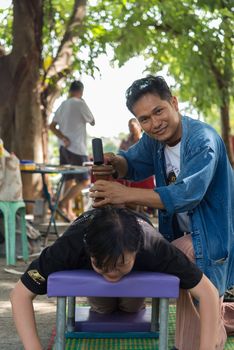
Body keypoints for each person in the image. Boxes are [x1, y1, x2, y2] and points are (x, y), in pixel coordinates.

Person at [90, 76, 234, 347]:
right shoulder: (153, 141)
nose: (154, 123)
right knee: (178, 267)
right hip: (183, 235)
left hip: (214, 236)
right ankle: (215, 320)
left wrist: (125, 194)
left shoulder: (204, 141)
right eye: (144, 119)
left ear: (174, 103)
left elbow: (186, 195)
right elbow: (131, 164)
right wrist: (114, 164)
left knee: (174, 258)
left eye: (158, 111)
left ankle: (206, 335)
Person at [10, 207, 223, 350]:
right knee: (104, 309)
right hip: (89, 227)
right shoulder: (68, 247)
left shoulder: (155, 247)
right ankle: (107, 279)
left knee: (130, 308)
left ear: (137, 251)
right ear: (88, 252)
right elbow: (20, 294)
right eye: (101, 265)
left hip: (135, 237)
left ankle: (125, 289)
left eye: (121, 265)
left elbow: (208, 293)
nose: (111, 273)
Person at [49, 80, 95, 220]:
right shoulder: (80, 103)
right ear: (81, 91)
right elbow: (92, 121)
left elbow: (51, 126)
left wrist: (63, 138)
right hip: (77, 149)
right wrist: (83, 101)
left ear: (70, 90)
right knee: (84, 181)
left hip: (64, 148)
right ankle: (61, 204)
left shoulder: (63, 104)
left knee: (68, 180)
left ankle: (67, 213)